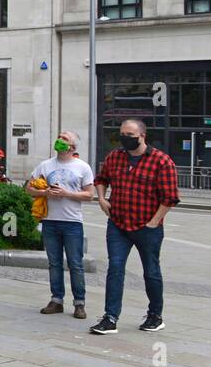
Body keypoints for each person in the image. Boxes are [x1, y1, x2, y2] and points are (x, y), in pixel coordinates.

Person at [91, 118, 179, 335]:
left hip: (147, 227)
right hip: (118, 224)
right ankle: (110, 317)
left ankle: (155, 315)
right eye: (122, 134)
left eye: (129, 135)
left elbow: (170, 198)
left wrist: (154, 222)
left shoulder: (161, 161)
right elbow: (101, 178)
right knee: (115, 268)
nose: (124, 139)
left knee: (151, 271)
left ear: (142, 136)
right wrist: (102, 199)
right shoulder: (115, 157)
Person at [26, 130, 94, 320]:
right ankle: (56, 300)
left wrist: (67, 193)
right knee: (54, 264)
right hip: (50, 221)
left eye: (65, 139)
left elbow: (90, 195)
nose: (59, 140)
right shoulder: (45, 165)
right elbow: (28, 188)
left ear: (73, 147)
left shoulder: (82, 167)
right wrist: (46, 193)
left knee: (75, 264)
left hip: (72, 222)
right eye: (59, 137)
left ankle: (79, 303)